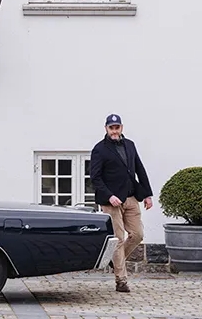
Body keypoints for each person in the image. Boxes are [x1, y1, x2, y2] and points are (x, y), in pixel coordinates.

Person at [89, 113, 153, 293]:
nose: (114, 130)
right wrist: (109, 196)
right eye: (111, 127)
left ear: (121, 127)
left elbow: (139, 169)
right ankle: (121, 280)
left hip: (131, 197)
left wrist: (147, 194)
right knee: (117, 239)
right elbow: (95, 178)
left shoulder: (130, 145)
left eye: (117, 127)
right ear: (106, 129)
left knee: (137, 234)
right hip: (111, 202)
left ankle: (115, 259)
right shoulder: (99, 149)